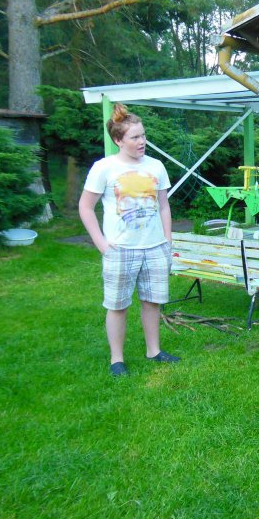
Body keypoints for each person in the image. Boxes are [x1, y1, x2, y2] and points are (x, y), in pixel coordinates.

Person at [79, 103, 179, 376]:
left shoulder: (156, 166)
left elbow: (164, 206)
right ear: (118, 140)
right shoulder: (104, 168)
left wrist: (167, 240)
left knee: (152, 302)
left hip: (155, 247)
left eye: (143, 135)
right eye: (135, 137)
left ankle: (154, 351)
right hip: (120, 249)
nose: (142, 141)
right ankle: (117, 359)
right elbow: (85, 207)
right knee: (117, 305)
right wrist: (101, 244)